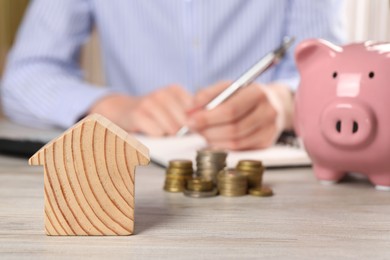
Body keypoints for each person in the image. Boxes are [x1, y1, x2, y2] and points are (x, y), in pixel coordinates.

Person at [1, 0, 345, 150]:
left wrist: (283, 103)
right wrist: (115, 107)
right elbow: (24, 77)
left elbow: (335, 75)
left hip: (282, 177)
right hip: (141, 171)